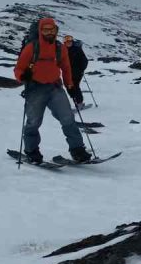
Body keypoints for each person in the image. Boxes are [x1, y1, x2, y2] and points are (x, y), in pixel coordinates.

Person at [14, 17, 91, 164]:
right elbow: (19, 68)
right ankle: (31, 151)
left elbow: (66, 67)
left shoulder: (59, 47)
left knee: (68, 119)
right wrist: (22, 76)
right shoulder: (31, 47)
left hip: (55, 88)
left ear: (56, 30)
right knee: (33, 123)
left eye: (52, 29)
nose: (49, 32)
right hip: (35, 89)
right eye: (45, 30)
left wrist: (71, 86)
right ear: (40, 31)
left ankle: (77, 150)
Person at [63, 35, 89, 108]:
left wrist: (81, 69)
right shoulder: (63, 50)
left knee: (75, 86)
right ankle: (75, 99)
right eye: (67, 42)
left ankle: (79, 102)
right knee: (69, 87)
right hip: (66, 73)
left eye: (70, 41)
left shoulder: (77, 49)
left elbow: (85, 61)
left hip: (77, 72)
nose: (68, 43)